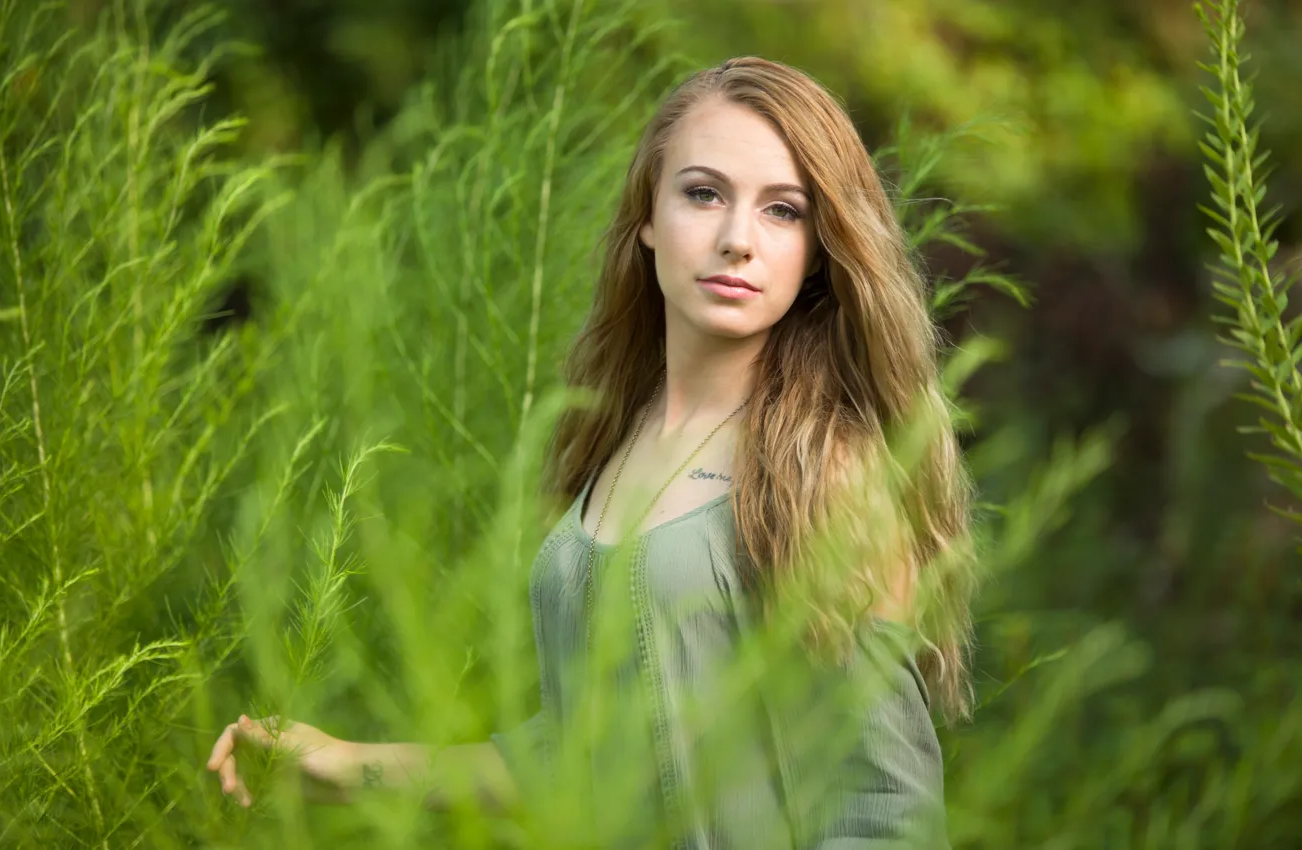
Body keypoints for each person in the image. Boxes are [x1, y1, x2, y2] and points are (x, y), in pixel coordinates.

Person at [206, 55, 977, 849]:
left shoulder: (826, 473)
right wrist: (340, 765)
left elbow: (888, 810)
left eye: (783, 210)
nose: (738, 239)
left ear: (819, 247)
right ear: (647, 214)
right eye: (703, 193)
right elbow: (574, 760)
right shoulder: (612, 442)